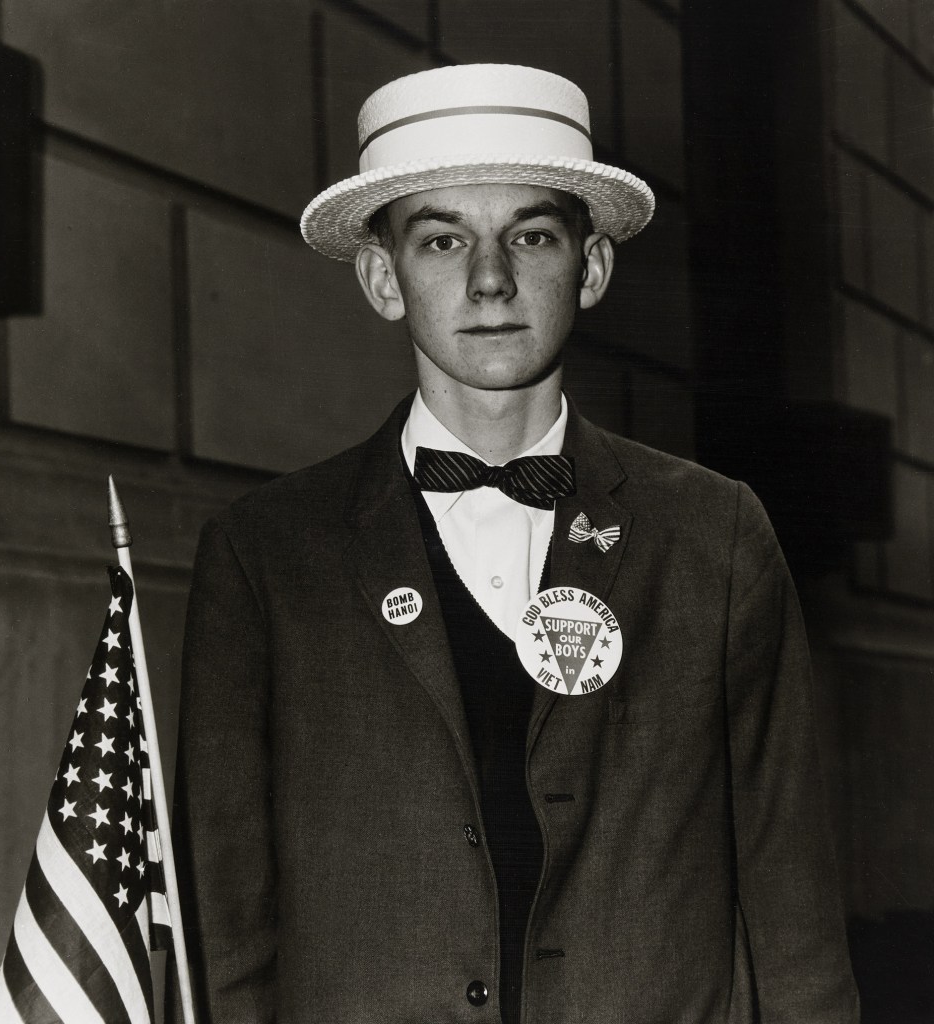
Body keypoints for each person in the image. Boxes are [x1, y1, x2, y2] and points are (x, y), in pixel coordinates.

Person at [168, 64, 859, 1023]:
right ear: (382, 276)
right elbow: (225, 920)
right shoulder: (267, 555)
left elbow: (792, 902)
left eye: (531, 235)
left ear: (594, 265)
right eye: (442, 239)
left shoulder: (715, 536)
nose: (490, 279)